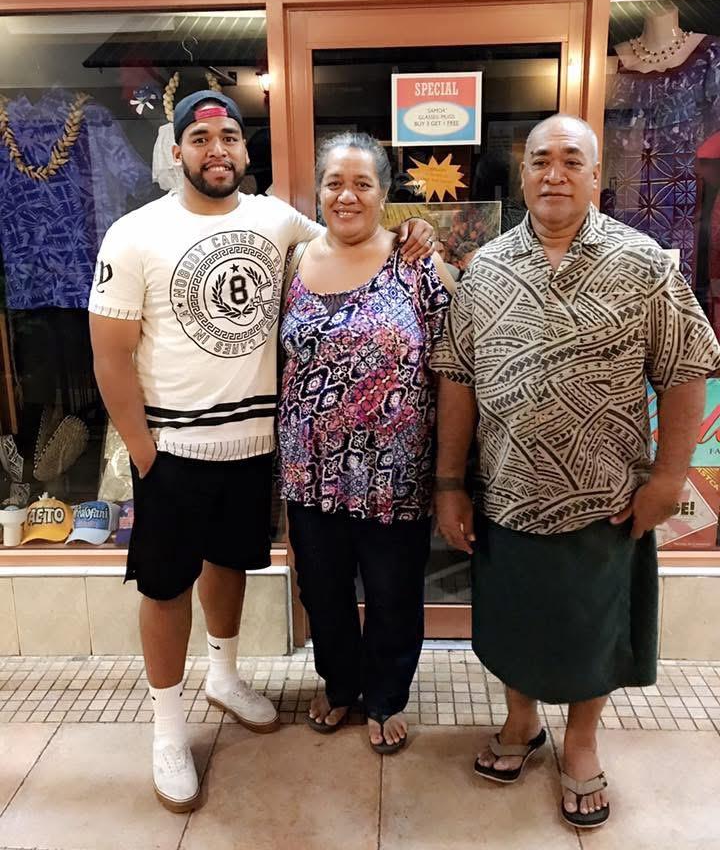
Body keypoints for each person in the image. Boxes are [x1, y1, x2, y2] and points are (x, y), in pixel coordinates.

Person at [88, 93, 433, 812]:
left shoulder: (278, 222)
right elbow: (110, 356)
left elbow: (352, 230)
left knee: (229, 567)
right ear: (176, 151)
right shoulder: (133, 232)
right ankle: (167, 731)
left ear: (246, 151)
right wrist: (144, 453)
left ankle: (224, 676)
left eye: (229, 136)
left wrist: (414, 227)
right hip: (174, 447)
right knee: (164, 588)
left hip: (252, 448)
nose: (216, 149)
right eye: (200, 138)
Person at [431, 114, 720, 830]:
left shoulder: (645, 264)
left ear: (596, 176)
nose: (553, 174)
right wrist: (449, 483)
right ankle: (522, 722)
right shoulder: (485, 268)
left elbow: (686, 370)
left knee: (596, 634)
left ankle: (582, 741)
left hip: (606, 501)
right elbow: (457, 380)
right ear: (523, 173)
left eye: (570, 161)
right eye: (540, 160)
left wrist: (669, 479)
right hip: (507, 494)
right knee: (513, 627)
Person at [278, 131, 451, 754]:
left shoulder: (416, 262)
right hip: (310, 471)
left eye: (362, 184)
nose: (346, 196)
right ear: (318, 191)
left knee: (392, 592)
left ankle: (385, 697)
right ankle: (340, 683)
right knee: (321, 590)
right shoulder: (290, 263)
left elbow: (450, 365)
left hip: (395, 473)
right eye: (334, 183)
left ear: (384, 193)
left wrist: (450, 471)